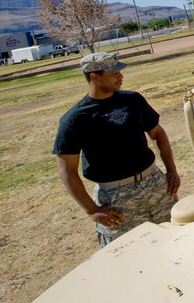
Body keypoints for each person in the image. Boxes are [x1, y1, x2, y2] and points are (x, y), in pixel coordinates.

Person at [53, 52, 180, 247]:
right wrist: (92, 210)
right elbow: (67, 171)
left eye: (120, 71)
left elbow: (158, 133)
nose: (120, 76)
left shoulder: (133, 100)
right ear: (94, 77)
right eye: (113, 72)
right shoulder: (75, 119)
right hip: (117, 198)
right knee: (128, 254)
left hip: (156, 185)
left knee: (175, 239)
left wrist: (171, 170)